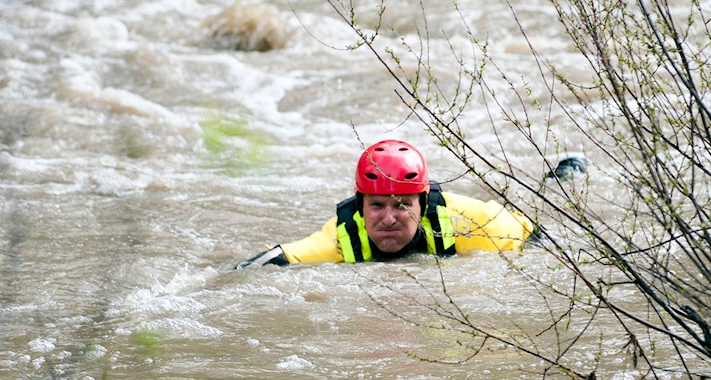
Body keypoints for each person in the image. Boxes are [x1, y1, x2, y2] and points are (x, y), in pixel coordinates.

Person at [235, 139, 564, 268]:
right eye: (377, 206)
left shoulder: (473, 222)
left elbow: (544, 239)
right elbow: (272, 260)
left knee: (551, 190)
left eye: (402, 205)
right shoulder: (340, 237)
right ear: (359, 205)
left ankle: (565, 171)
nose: (389, 218)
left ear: (422, 203)